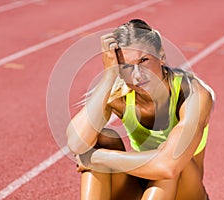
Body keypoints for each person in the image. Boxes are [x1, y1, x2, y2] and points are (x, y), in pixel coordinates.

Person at [66, 19, 214, 200]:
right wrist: (109, 75)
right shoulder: (121, 94)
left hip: (186, 193)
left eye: (143, 60)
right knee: (102, 138)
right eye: (126, 67)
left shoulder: (192, 94)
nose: (137, 75)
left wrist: (97, 158)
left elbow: (168, 166)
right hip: (142, 188)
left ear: (161, 55)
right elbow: (76, 144)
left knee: (170, 155)